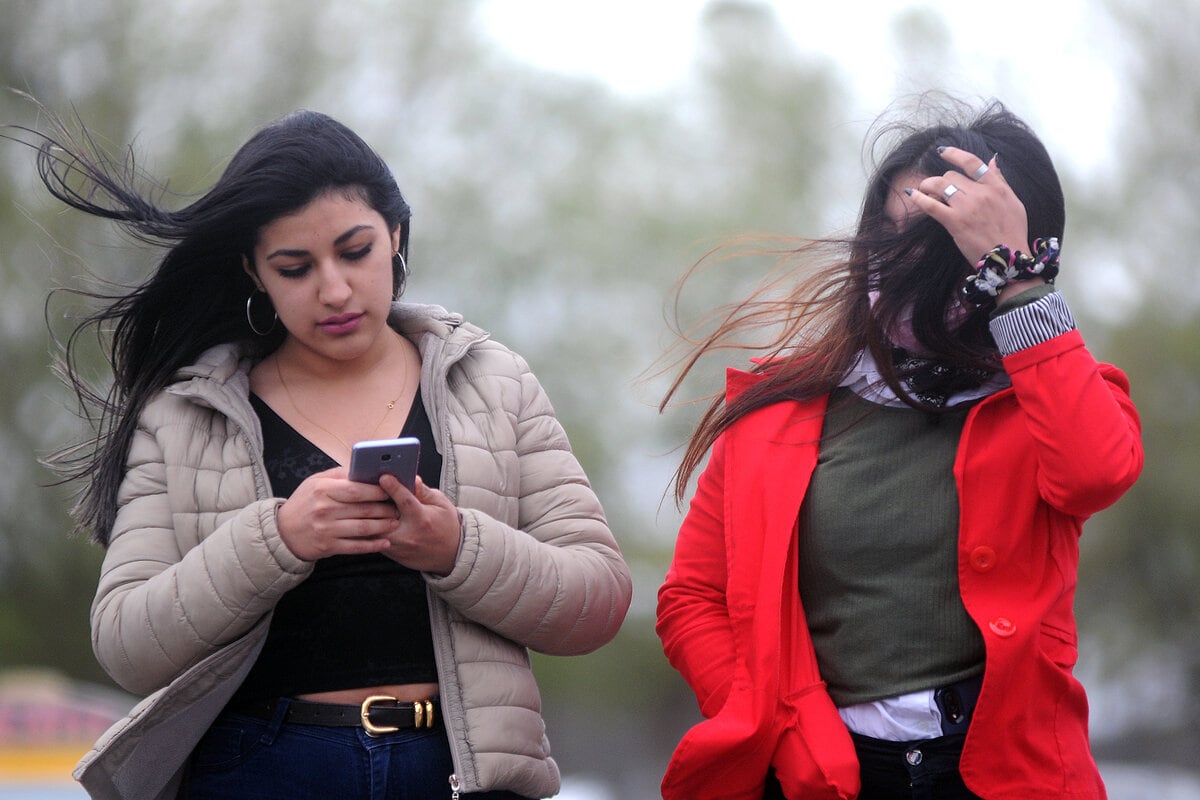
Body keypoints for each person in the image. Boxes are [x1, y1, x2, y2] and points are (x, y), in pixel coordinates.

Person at [20, 106, 632, 800]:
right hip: (259, 768)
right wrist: (278, 539)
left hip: (461, 771)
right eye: (295, 267)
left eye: (355, 250)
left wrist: (458, 545)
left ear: (396, 235)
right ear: (255, 270)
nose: (334, 289)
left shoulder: (492, 382)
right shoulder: (187, 412)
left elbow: (598, 597)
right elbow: (128, 643)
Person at [654, 98, 1143, 800]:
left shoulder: (1056, 394)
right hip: (826, 774)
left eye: (939, 232)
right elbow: (691, 598)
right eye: (887, 232)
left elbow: (1097, 474)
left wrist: (1016, 277)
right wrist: (784, 726)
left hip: (1007, 774)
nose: (896, 260)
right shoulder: (779, 408)